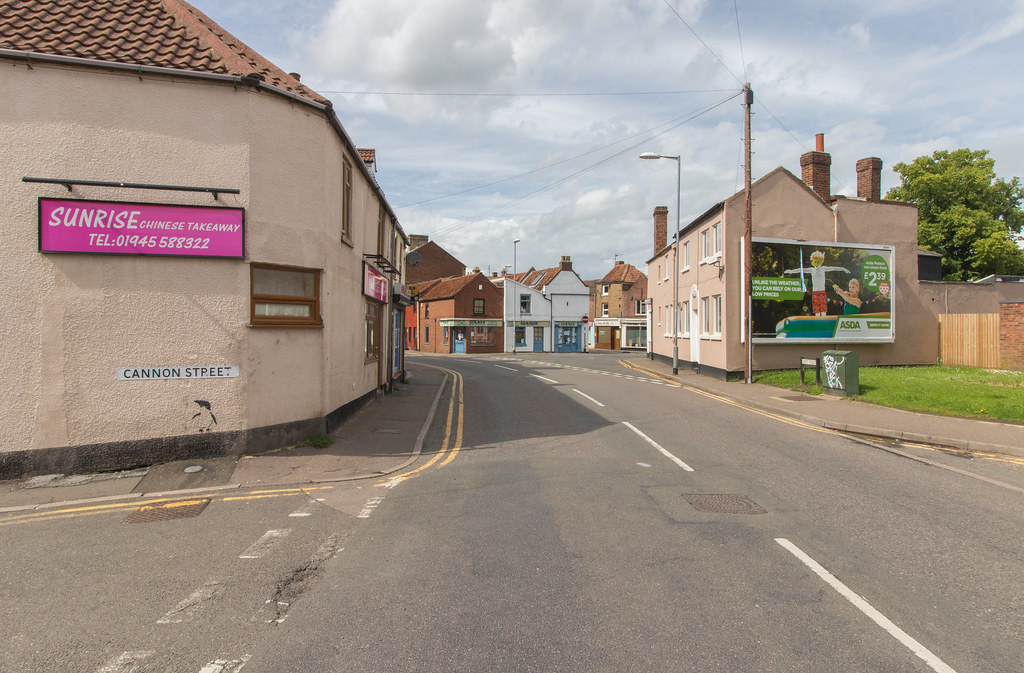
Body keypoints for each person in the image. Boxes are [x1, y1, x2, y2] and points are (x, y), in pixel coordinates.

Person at [784, 250, 848, 316]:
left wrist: (843, 269)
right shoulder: (811, 270)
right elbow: (800, 270)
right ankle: (818, 321)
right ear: (813, 262)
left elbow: (834, 268)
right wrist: (790, 271)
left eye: (818, 262)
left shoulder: (823, 268)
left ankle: (824, 322)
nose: (817, 264)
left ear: (821, 262)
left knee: (823, 311)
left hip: (822, 291)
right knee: (817, 311)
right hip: (815, 292)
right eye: (815, 262)